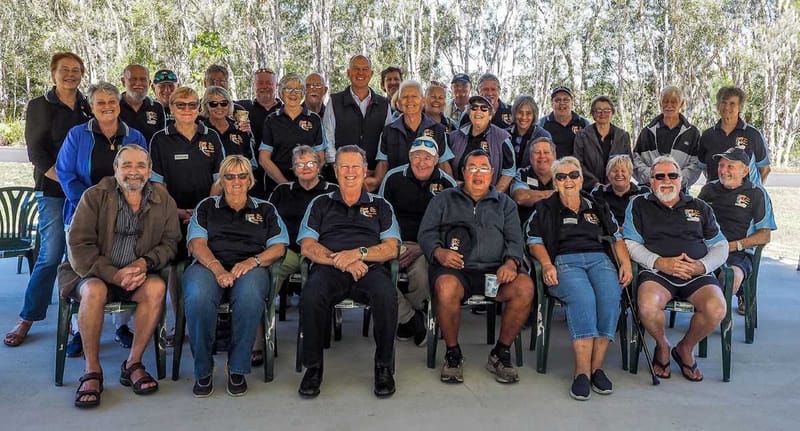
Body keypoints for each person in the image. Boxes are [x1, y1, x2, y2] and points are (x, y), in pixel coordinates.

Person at [57, 144, 180, 408]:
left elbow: (171, 242)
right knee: (94, 291)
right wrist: (114, 274)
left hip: (137, 274)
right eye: (126, 165)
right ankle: (92, 371)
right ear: (115, 169)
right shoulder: (95, 196)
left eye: (140, 166)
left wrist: (145, 264)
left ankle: (133, 362)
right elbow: (78, 246)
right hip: (91, 273)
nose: (133, 172)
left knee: (156, 288)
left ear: (149, 171)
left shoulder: (163, 199)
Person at [418, 149, 534, 384]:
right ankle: (453, 354)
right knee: (446, 287)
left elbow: (515, 240)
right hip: (457, 270)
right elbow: (426, 234)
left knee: (525, 287)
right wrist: (439, 252)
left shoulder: (505, 204)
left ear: (492, 173)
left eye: (483, 168)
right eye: (472, 168)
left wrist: (511, 262)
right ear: (463, 172)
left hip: (495, 272)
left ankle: (500, 352)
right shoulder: (444, 199)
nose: (478, 173)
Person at [296, 145, 401, 398]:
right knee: (310, 295)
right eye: (344, 166)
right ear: (335, 170)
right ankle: (313, 367)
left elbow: (392, 248)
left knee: (387, 296)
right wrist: (340, 260)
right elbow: (307, 245)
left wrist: (359, 254)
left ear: (366, 170)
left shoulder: (381, 205)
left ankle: (383, 366)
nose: (350, 172)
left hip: (370, 268)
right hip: (329, 268)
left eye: (356, 166)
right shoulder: (320, 203)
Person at [526, 156, 632, 400]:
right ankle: (581, 373)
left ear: (582, 179)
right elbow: (534, 241)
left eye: (573, 175)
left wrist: (625, 263)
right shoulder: (545, 208)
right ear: (555, 182)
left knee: (609, 297)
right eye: (561, 177)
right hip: (564, 260)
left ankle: (597, 369)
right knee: (583, 299)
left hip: (600, 260)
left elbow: (616, 237)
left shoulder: (597, 205)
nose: (568, 180)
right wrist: (546, 264)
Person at [5, 52, 92, 348]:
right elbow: (37, 153)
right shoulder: (40, 106)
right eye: (64, 69)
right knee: (51, 255)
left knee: (78, 259)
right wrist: (68, 183)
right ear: (53, 73)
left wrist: (83, 189)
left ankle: (74, 322)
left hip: (85, 194)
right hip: (54, 191)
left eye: (76, 70)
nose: (71, 74)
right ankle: (28, 316)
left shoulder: (87, 106)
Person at [184, 155, 288, 398]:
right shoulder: (207, 206)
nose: (236, 181)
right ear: (221, 180)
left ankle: (238, 368)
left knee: (251, 296)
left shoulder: (265, 208)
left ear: (251, 180)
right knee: (198, 297)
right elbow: (197, 243)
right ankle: (203, 370)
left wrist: (253, 261)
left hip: (250, 267)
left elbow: (279, 247)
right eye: (229, 176)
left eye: (242, 175)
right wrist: (217, 268)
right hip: (208, 265)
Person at [55, 82, 147, 352]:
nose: (107, 106)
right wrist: (90, 206)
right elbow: (66, 173)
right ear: (91, 106)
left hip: (126, 214)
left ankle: (122, 326)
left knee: (124, 263)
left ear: (119, 103)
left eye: (111, 101)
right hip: (82, 213)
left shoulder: (135, 136)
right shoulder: (77, 135)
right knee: (81, 270)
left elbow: (141, 174)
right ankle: (77, 330)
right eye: (100, 102)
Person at [623, 156, 728, 382]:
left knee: (716, 309)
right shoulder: (639, 204)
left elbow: (721, 245)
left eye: (672, 175)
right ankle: (662, 346)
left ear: (681, 180)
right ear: (651, 181)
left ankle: (685, 349)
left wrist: (702, 266)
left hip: (696, 273)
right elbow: (630, 243)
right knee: (648, 307)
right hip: (657, 273)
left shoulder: (700, 207)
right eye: (659, 176)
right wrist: (660, 262)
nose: (666, 180)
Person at [379, 139, 457, 346]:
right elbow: (381, 215)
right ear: (409, 157)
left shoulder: (448, 183)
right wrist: (395, 245)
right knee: (375, 275)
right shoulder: (393, 177)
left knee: (422, 275)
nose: (421, 162)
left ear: (437, 160)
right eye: (417, 156)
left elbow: (453, 225)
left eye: (427, 157)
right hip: (394, 241)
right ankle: (411, 318)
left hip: (429, 246)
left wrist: (425, 246)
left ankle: (409, 316)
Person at [697, 148, 776, 315]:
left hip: (737, 253)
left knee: (730, 277)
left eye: (730, 166)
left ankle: (715, 316)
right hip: (705, 249)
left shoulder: (757, 193)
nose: (723, 170)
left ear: (745, 170)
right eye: (721, 165)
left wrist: (733, 246)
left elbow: (765, 235)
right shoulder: (708, 189)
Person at [149, 86, 224, 261]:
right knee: (174, 262)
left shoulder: (211, 136)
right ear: (172, 107)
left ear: (199, 107)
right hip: (171, 215)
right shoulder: (160, 139)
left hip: (207, 214)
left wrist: (203, 210)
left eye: (192, 105)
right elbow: (156, 183)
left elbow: (220, 178)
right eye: (181, 105)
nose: (187, 110)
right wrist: (176, 211)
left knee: (205, 260)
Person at [373, 80, 454, 189]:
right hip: (398, 191)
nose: (409, 100)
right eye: (405, 96)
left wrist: (453, 192)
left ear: (423, 101)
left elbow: (443, 164)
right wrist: (376, 183)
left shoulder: (438, 130)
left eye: (414, 96)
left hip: (429, 192)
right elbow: (383, 164)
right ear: (399, 103)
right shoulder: (388, 131)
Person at [322, 55, 392, 175]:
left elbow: (386, 140)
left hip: (372, 175)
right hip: (340, 175)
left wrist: (377, 172)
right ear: (348, 73)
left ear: (371, 73)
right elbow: (328, 139)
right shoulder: (335, 101)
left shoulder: (383, 104)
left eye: (365, 69)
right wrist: (338, 169)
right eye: (356, 68)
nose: (360, 73)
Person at [259, 73, 325, 193]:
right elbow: (264, 158)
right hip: (277, 186)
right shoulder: (272, 120)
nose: (293, 93)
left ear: (303, 94)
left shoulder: (314, 119)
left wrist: (307, 180)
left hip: (307, 185)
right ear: (281, 93)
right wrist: (285, 184)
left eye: (298, 89)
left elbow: (320, 157)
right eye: (288, 88)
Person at [698, 86, 771, 186]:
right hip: (715, 197)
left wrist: (755, 193)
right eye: (723, 102)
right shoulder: (707, 135)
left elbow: (765, 169)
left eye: (732, 104)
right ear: (718, 105)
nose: (727, 107)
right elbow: (705, 168)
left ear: (739, 107)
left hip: (745, 198)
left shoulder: (753, 134)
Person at [632, 86, 702, 190]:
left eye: (674, 102)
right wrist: (653, 177)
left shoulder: (692, 133)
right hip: (649, 190)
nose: (669, 105)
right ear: (660, 103)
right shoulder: (647, 132)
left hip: (680, 192)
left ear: (681, 103)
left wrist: (676, 179)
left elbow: (696, 164)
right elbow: (635, 160)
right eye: (665, 101)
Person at [449, 95, 515, 193]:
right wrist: (453, 186)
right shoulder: (454, 136)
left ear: (490, 115)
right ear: (469, 113)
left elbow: (509, 172)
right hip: (458, 194)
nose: (478, 111)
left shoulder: (502, 138)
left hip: (488, 197)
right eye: (474, 107)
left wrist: (494, 196)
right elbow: (445, 164)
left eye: (484, 108)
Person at [237, 68, 282, 200]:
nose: (264, 87)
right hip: (251, 176)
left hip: (279, 174)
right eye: (260, 83)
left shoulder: (286, 111)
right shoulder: (242, 108)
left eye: (268, 83)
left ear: (276, 85)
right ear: (254, 85)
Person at [573, 96, 632, 190]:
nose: (602, 113)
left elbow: (628, 163)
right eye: (598, 110)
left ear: (612, 112)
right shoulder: (582, 136)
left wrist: (614, 182)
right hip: (589, 189)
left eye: (607, 110)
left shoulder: (622, 135)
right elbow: (577, 163)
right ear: (593, 114)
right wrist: (595, 184)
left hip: (617, 189)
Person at [200, 86, 256, 165]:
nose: (219, 107)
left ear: (229, 105)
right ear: (206, 106)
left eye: (224, 103)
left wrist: (248, 134)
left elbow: (249, 161)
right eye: (213, 104)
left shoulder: (239, 128)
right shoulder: (200, 130)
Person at [590, 155, 649, 227]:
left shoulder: (644, 193)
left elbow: (648, 220)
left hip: (637, 236)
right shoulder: (598, 192)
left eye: (623, 171)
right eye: (615, 171)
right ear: (608, 174)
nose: (619, 174)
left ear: (630, 174)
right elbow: (594, 220)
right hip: (608, 235)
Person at [510, 137, 556, 225]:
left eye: (546, 152)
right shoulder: (522, 173)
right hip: (528, 228)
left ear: (554, 156)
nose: (542, 156)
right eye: (537, 152)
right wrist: (557, 195)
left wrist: (534, 196)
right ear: (531, 157)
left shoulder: (564, 173)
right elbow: (521, 198)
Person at [119, 64, 166, 144]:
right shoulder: (113, 106)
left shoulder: (156, 107)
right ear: (123, 82)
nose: (138, 83)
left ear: (149, 83)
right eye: (133, 79)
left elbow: (161, 141)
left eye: (143, 79)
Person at [539, 86, 590, 158]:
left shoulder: (584, 123)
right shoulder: (542, 124)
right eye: (557, 100)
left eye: (566, 100)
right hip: (551, 167)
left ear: (572, 103)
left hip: (577, 167)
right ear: (552, 103)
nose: (562, 103)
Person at [508, 95, 552, 168]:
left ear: (534, 115)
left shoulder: (543, 136)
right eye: (520, 112)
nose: (524, 117)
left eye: (528, 113)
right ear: (514, 113)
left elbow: (547, 164)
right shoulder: (504, 134)